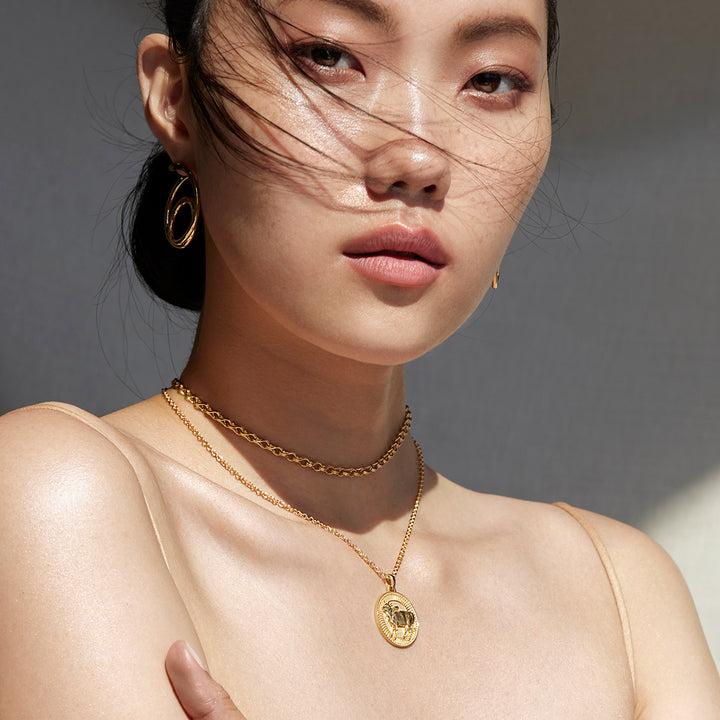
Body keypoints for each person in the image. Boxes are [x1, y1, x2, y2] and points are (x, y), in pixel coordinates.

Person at [1, 0, 718, 717]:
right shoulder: (56, 498)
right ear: (175, 96)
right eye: (329, 56)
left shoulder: (621, 595)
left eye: (493, 80)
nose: (416, 157)